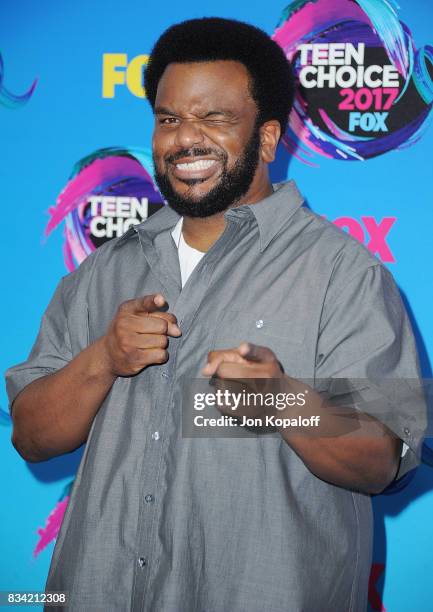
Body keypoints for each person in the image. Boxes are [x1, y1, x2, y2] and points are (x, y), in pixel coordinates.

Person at [5, 17, 425, 612]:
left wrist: (281, 398)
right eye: (169, 118)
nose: (185, 138)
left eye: (216, 119)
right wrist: (103, 358)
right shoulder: (104, 271)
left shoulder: (342, 272)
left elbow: (383, 460)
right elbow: (31, 435)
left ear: (270, 138)